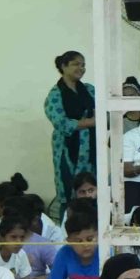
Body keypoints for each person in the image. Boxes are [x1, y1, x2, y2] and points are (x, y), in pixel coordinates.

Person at [44, 50, 96, 216]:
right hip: (67, 149)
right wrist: (91, 122)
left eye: (83, 65)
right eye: (76, 64)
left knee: (92, 188)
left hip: (91, 148)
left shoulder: (90, 90)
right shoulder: (55, 94)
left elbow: (105, 114)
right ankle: (67, 225)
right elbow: (62, 123)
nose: (81, 68)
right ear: (63, 66)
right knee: (68, 189)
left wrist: (93, 121)